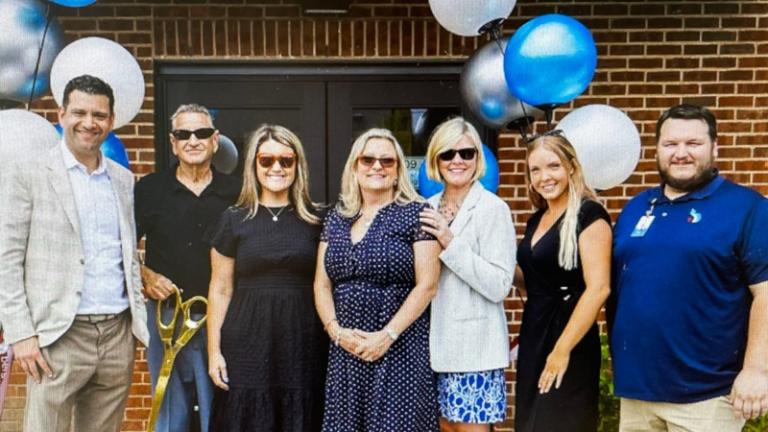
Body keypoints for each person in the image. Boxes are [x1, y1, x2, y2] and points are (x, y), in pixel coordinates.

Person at [0, 74, 149, 432]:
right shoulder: (28, 172)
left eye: (99, 115)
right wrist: (21, 334)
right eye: (79, 112)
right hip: (58, 334)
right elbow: (7, 258)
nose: (89, 123)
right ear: (61, 113)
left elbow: (125, 252)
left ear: (111, 121)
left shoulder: (122, 179)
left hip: (116, 333)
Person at [610, 104, 768, 431]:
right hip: (638, 394)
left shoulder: (747, 207)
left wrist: (756, 370)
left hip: (707, 398)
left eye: (693, 144)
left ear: (714, 147)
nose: (681, 153)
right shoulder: (636, 207)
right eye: (671, 144)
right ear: (657, 150)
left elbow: (766, 293)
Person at [314, 128, 442, 431]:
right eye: (368, 159)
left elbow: (428, 285)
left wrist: (388, 336)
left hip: (400, 347)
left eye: (387, 161)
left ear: (398, 170)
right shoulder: (337, 217)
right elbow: (321, 283)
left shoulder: (416, 213)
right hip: (347, 350)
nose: (377, 167)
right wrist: (335, 331)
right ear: (355, 168)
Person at [207, 124, 328, 431]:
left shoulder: (318, 219)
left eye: (286, 160)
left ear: (297, 165)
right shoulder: (234, 219)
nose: (277, 167)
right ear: (254, 165)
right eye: (267, 160)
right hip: (246, 338)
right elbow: (220, 289)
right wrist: (214, 352)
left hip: (303, 338)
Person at [135, 103, 240, 432]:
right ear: (173, 142)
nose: (193, 140)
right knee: (169, 410)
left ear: (215, 139)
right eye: (183, 134)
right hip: (167, 315)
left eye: (202, 133)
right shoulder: (149, 189)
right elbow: (120, 245)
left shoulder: (237, 192)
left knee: (220, 405)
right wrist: (145, 274)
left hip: (224, 315)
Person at [418, 117, 516, 431]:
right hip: (431, 349)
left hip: (474, 351)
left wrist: (449, 241)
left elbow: (500, 284)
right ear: (435, 160)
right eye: (448, 154)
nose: (457, 160)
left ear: (478, 159)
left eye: (467, 153)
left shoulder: (492, 208)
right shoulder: (426, 207)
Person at [515, 132, 612, 432]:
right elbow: (531, 278)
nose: (545, 177)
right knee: (531, 423)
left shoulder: (589, 214)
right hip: (535, 332)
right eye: (536, 170)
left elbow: (598, 289)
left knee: (560, 422)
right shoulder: (537, 219)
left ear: (571, 167)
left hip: (569, 336)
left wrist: (562, 350)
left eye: (553, 166)